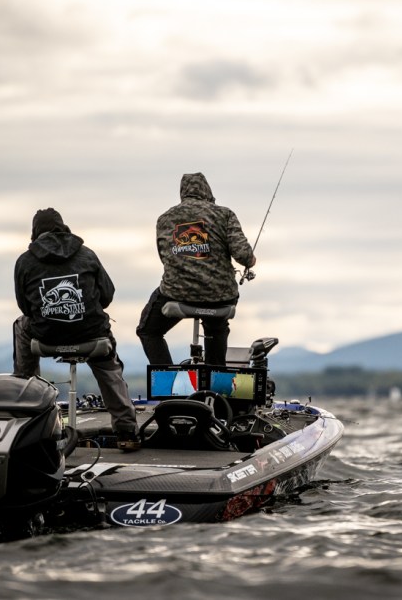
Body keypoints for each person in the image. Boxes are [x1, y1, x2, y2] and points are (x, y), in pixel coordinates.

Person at [13, 208, 140, 451]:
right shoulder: (87, 254)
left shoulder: (24, 261)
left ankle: (27, 405)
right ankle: (126, 430)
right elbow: (107, 296)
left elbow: (25, 307)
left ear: (35, 232)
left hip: (46, 335)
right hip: (91, 334)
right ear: (63, 228)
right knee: (108, 364)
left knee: (21, 324)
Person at [137, 173, 256, 367]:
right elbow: (244, 256)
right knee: (216, 327)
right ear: (207, 192)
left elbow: (164, 257)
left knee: (148, 331)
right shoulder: (224, 214)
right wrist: (251, 260)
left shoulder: (165, 219)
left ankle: (169, 379)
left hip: (176, 293)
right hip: (219, 294)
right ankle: (215, 378)